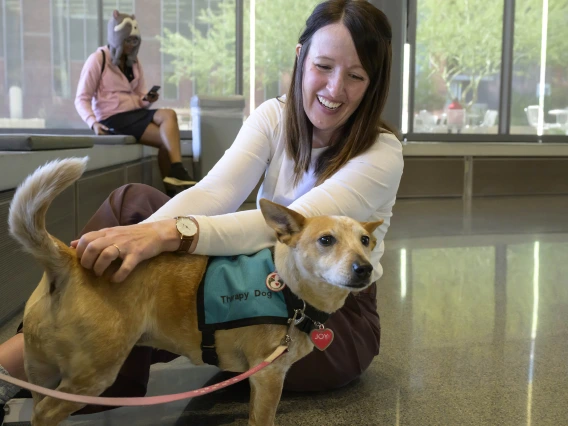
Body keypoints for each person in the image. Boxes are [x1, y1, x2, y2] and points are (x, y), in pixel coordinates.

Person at [0, 0, 403, 418]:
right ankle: (47, 345)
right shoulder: (273, 116)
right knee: (133, 205)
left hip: (327, 315)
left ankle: (45, 362)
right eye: (324, 66)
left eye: (355, 76)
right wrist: (137, 244)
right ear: (301, 56)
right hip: (264, 277)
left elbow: (287, 227)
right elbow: (213, 194)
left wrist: (165, 236)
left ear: (374, 82)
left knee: (158, 239)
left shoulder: (382, 151)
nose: (335, 89)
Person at [74, 9, 195, 197]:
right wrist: (93, 123)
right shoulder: (99, 59)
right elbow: (81, 98)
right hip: (112, 118)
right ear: (116, 38)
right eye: (127, 40)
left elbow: (138, 96)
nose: (131, 45)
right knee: (166, 141)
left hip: (133, 114)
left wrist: (146, 100)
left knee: (169, 115)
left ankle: (175, 178)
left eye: (134, 41)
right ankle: (174, 185)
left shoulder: (133, 61)